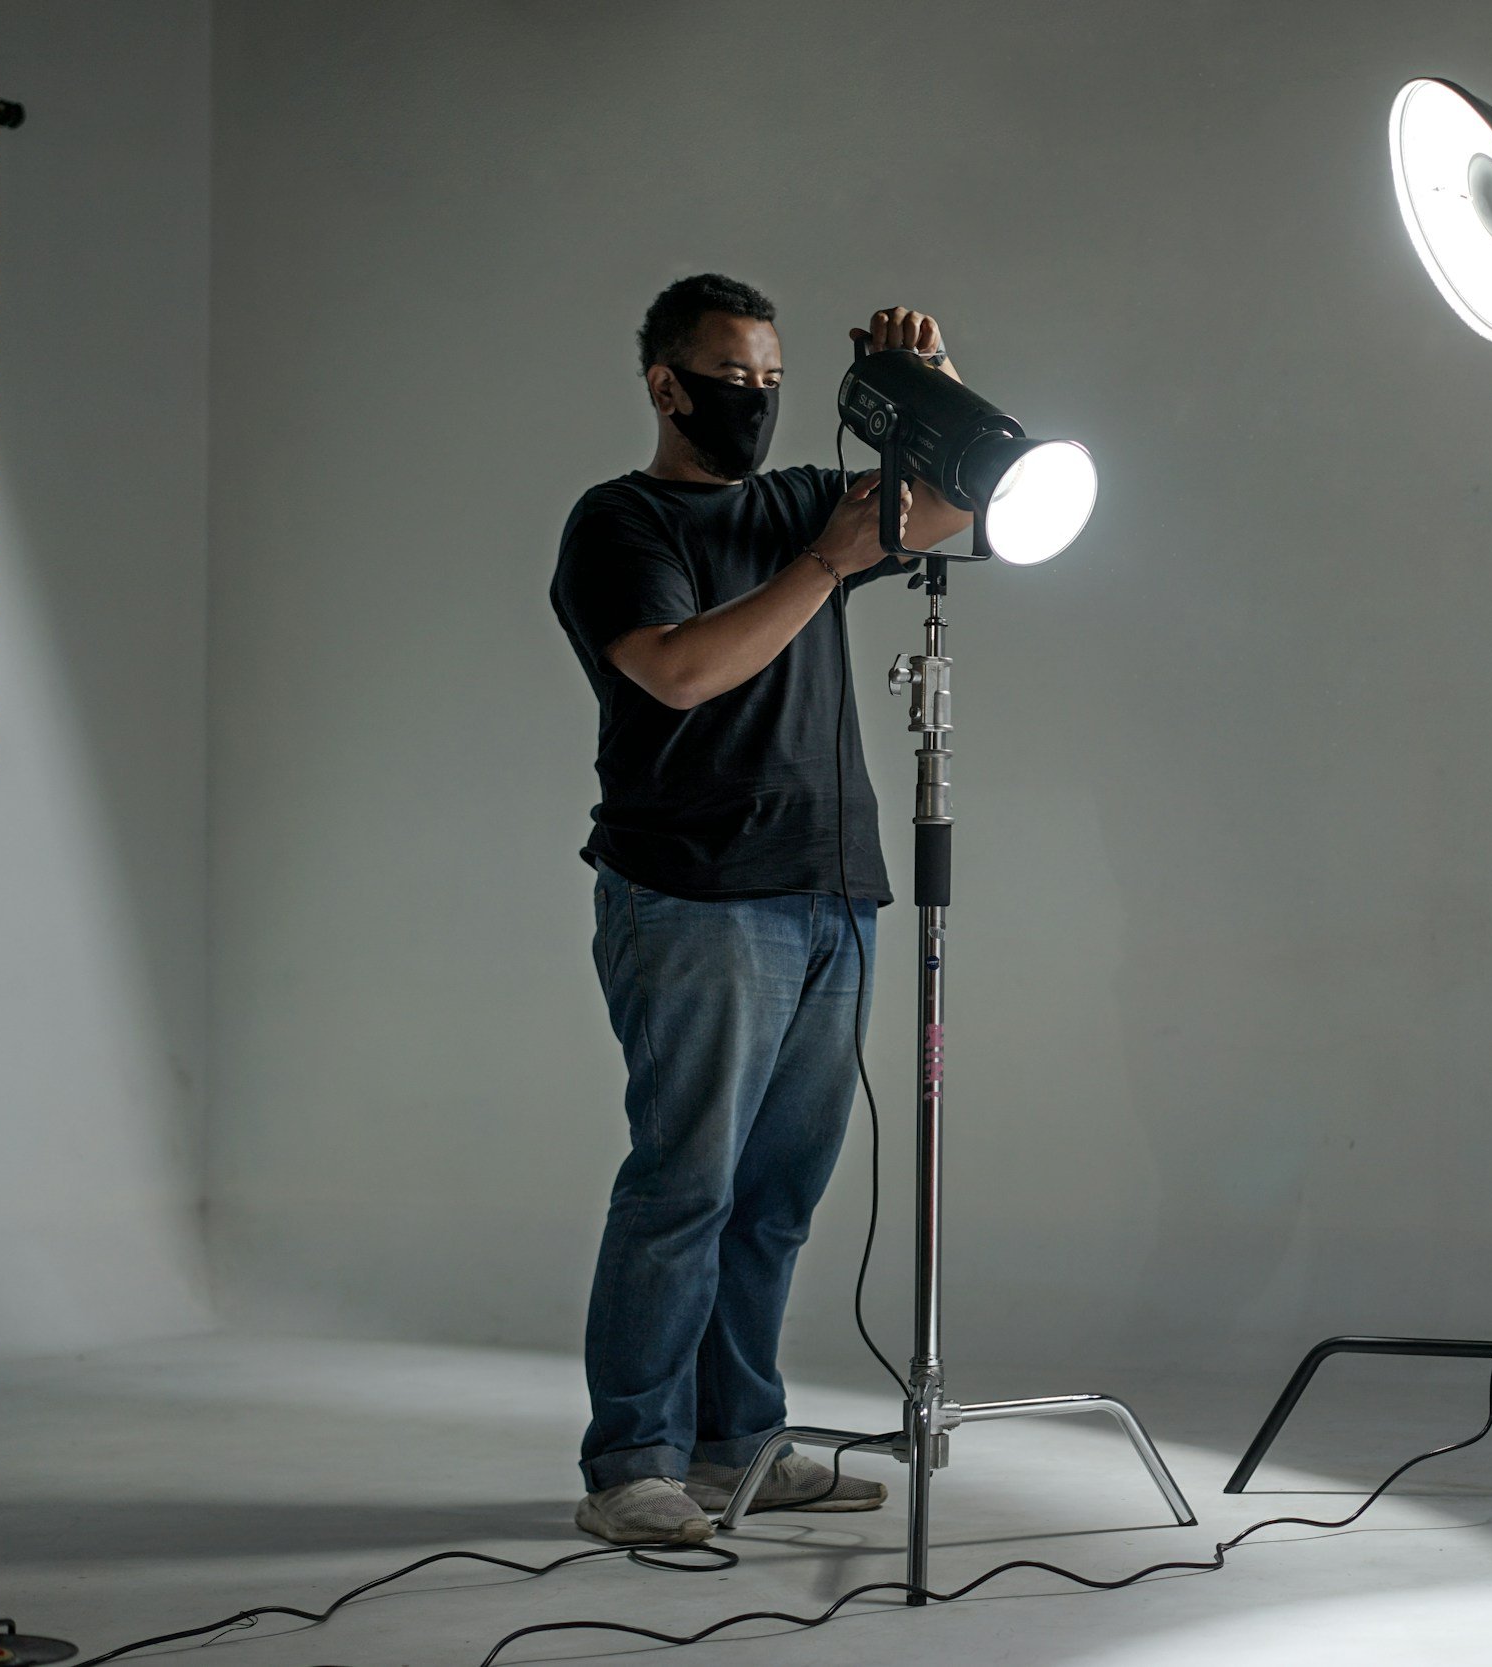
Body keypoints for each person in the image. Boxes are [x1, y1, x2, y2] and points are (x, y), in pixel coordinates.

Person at [549, 274, 970, 1544]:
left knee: (781, 1190)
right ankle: (633, 1459)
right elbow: (678, 674)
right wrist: (820, 566)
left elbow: (952, 508)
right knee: (686, 1182)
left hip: (832, 890)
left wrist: (932, 382)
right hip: (692, 897)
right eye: (734, 378)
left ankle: (741, 1439)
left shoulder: (799, 502)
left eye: (775, 379)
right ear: (666, 384)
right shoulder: (619, 521)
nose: (758, 399)